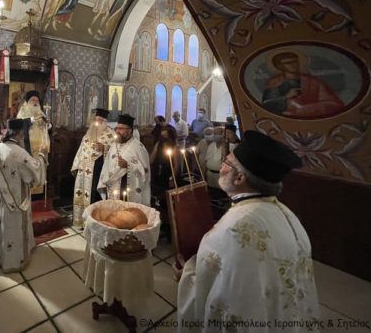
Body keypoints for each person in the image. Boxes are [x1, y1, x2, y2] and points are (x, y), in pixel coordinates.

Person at [176, 131, 319, 331]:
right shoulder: (288, 215)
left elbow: (210, 292)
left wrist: (186, 274)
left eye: (227, 162)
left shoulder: (234, 228)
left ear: (239, 178)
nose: (222, 165)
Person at [0, 119, 48, 272]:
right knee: (15, 228)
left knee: (3, 225)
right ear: (21, 134)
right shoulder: (19, 153)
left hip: (1, 198)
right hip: (17, 199)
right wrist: (42, 155)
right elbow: (35, 171)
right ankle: (15, 261)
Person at [262, 51, 344, 117]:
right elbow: (267, 105)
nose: (293, 65)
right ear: (279, 66)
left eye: (295, 61)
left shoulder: (314, 82)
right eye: (288, 63)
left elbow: (334, 104)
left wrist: (302, 110)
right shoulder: (274, 83)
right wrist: (286, 97)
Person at [71, 108, 116, 228]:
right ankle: (81, 220)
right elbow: (82, 149)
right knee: (81, 194)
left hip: (97, 170)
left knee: (94, 195)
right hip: (83, 171)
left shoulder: (111, 134)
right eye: (96, 120)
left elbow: (115, 151)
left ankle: (93, 223)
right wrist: (77, 165)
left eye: (100, 120)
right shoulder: (89, 132)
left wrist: (104, 147)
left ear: (105, 121)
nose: (97, 122)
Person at [97, 114, 150, 205]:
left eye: (121, 128)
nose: (117, 131)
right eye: (117, 128)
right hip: (112, 187)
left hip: (127, 188)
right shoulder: (114, 145)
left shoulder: (138, 147)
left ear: (130, 130)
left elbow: (145, 171)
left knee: (125, 211)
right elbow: (107, 164)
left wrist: (128, 165)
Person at [16, 90, 50, 163]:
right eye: (33, 100)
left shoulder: (40, 112)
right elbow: (20, 124)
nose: (35, 102)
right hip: (28, 147)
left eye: (37, 100)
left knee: (41, 167)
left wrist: (47, 125)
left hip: (41, 148)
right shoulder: (22, 112)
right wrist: (33, 118)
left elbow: (47, 125)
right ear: (27, 102)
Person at [149, 116, 177, 189]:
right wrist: (149, 167)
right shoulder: (159, 143)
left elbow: (176, 165)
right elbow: (152, 157)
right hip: (157, 169)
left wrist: (172, 177)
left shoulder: (174, 146)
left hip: (168, 171)